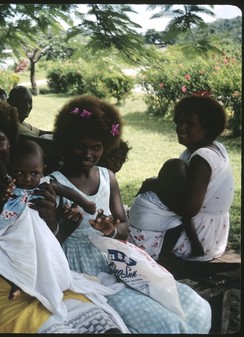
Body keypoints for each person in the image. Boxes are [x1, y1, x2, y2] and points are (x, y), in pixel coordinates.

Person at [0, 89, 128, 333]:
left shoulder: (31, 182)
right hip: (7, 298)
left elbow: (44, 244)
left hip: (50, 283)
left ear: (10, 141)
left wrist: (59, 225)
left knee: (109, 330)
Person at [50, 94, 212, 334]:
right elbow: (47, 242)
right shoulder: (56, 183)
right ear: (67, 143)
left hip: (114, 259)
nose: (88, 154)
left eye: (96, 148)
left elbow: (124, 227)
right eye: (80, 146)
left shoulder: (107, 177)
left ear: (106, 146)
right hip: (81, 270)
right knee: (162, 322)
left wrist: (112, 230)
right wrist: (69, 226)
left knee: (193, 304)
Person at [0, 139, 97, 302]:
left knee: (44, 254)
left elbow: (67, 191)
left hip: (37, 232)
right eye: (20, 173)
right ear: (10, 169)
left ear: (43, 170)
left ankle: (47, 280)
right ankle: (15, 283)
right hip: (13, 230)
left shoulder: (45, 184)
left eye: (34, 173)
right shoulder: (8, 184)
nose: (28, 178)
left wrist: (86, 203)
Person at [128, 94, 235, 263]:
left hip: (199, 239)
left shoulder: (203, 157)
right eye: (179, 122)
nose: (181, 127)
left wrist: (156, 186)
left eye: (190, 124)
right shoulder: (211, 148)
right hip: (209, 235)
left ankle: (164, 255)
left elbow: (188, 210)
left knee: (123, 239)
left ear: (207, 128)